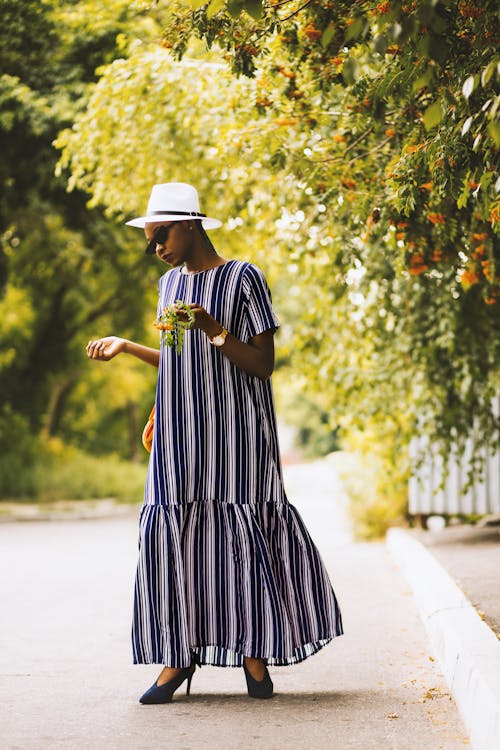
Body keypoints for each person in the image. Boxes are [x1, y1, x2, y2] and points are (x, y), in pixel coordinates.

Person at [86, 182, 344, 703]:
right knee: (176, 528)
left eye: (159, 234)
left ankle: (254, 652)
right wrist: (133, 353)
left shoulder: (243, 278)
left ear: (188, 224)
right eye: (150, 238)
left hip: (238, 431)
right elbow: (180, 361)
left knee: (239, 527)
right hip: (182, 431)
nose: (154, 246)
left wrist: (214, 327)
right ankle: (178, 658)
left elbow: (261, 364)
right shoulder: (168, 287)